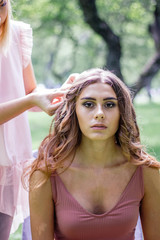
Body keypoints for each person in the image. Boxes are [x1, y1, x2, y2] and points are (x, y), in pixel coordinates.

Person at [27, 68, 160, 240]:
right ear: (74, 110)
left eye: (109, 104)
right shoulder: (46, 174)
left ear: (122, 112)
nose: (99, 114)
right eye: (88, 104)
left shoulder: (146, 171)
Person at [0, 0, 72, 239]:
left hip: (8, 161)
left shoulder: (16, 34)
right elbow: (29, 100)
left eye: (1, 4)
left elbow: (29, 93)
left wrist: (62, 92)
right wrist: (32, 101)